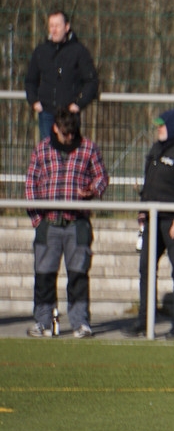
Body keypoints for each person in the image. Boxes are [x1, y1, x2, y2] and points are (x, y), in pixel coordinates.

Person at [25, 107, 108, 338]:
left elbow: (102, 177)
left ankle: (80, 322)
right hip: (49, 222)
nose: (69, 138)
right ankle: (43, 322)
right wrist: (37, 219)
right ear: (55, 129)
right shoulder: (42, 150)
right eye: (65, 133)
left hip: (77, 223)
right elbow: (31, 183)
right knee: (43, 276)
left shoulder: (88, 148)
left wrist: (93, 189)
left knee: (78, 275)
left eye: (73, 133)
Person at [123, 110, 174, 340]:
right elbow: (150, 183)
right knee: (146, 269)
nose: (158, 129)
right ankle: (144, 321)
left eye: (162, 126)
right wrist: (142, 208)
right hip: (152, 219)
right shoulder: (156, 149)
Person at [24, 10, 99, 141]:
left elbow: (92, 81)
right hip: (46, 112)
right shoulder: (41, 51)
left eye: (57, 26)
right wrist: (34, 101)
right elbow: (30, 80)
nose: (54, 30)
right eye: (51, 26)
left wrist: (78, 103)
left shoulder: (79, 51)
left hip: (69, 115)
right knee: (49, 157)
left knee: (70, 156)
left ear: (67, 27)